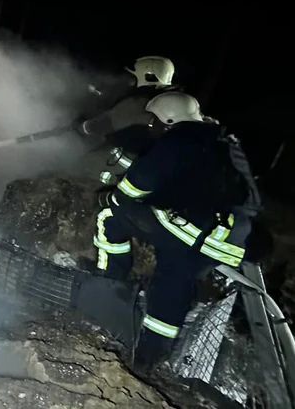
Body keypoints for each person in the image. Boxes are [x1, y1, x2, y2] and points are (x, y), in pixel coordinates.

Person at [91, 91, 259, 371]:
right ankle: (148, 359)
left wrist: (113, 198)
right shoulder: (221, 142)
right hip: (230, 240)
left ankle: (108, 284)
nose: (151, 126)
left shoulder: (182, 137)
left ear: (170, 121)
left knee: (111, 216)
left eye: (155, 121)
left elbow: (141, 180)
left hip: (195, 230)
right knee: (172, 283)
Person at [77, 56, 178, 157]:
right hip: (148, 159)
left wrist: (80, 126)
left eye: (135, 77)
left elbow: (98, 126)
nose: (131, 81)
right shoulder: (166, 103)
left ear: (148, 77)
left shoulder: (137, 104)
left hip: (121, 158)